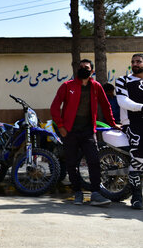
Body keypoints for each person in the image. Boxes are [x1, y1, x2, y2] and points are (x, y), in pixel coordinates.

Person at [50, 59, 118, 206]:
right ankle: (77, 193)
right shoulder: (67, 86)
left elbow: (106, 106)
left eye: (86, 67)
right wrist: (61, 127)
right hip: (70, 132)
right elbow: (54, 107)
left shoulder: (96, 86)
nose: (83, 69)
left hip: (88, 131)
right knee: (71, 163)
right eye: (80, 67)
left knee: (93, 161)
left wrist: (113, 124)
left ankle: (95, 193)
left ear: (92, 71)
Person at [115, 53, 143, 209]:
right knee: (139, 157)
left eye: (138, 61)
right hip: (132, 123)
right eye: (133, 62)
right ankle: (137, 197)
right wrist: (141, 107)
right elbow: (123, 101)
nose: (135, 64)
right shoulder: (123, 80)